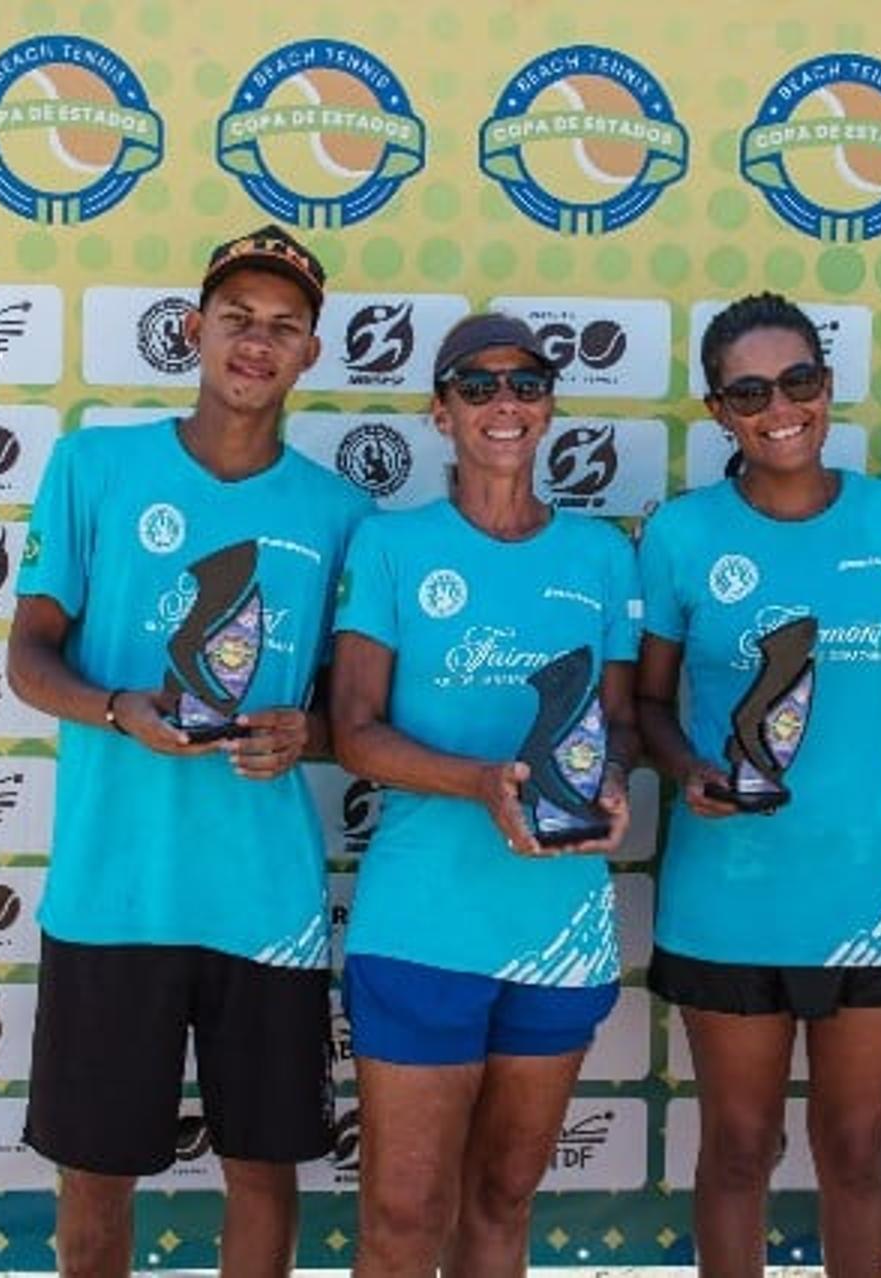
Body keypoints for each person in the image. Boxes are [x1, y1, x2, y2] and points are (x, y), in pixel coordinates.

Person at [7, 225, 369, 1278]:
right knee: (96, 1176)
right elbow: (28, 659)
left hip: (264, 901)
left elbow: (356, 717)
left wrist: (309, 735)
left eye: (283, 327)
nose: (256, 343)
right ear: (193, 331)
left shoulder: (344, 514)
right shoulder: (94, 464)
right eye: (236, 319)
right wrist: (120, 706)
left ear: (312, 352)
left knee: (264, 1169)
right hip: (113, 892)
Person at [635, 293, 881, 1277]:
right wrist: (687, 767)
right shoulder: (680, 536)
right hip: (729, 895)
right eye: (749, 391)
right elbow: (647, 706)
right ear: (718, 411)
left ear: (827, 387)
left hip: (873, 892)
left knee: (857, 1153)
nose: (778, 407)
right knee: (739, 1152)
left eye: (799, 381)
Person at [329, 313, 642, 1278]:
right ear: (440, 411)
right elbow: (353, 731)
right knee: (403, 1212)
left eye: (527, 382)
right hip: (423, 921)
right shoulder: (390, 546)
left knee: (504, 1201)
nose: (505, 402)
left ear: (548, 405)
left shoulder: (601, 556)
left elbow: (619, 721)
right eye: (477, 385)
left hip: (558, 924)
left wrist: (617, 779)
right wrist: (480, 784)